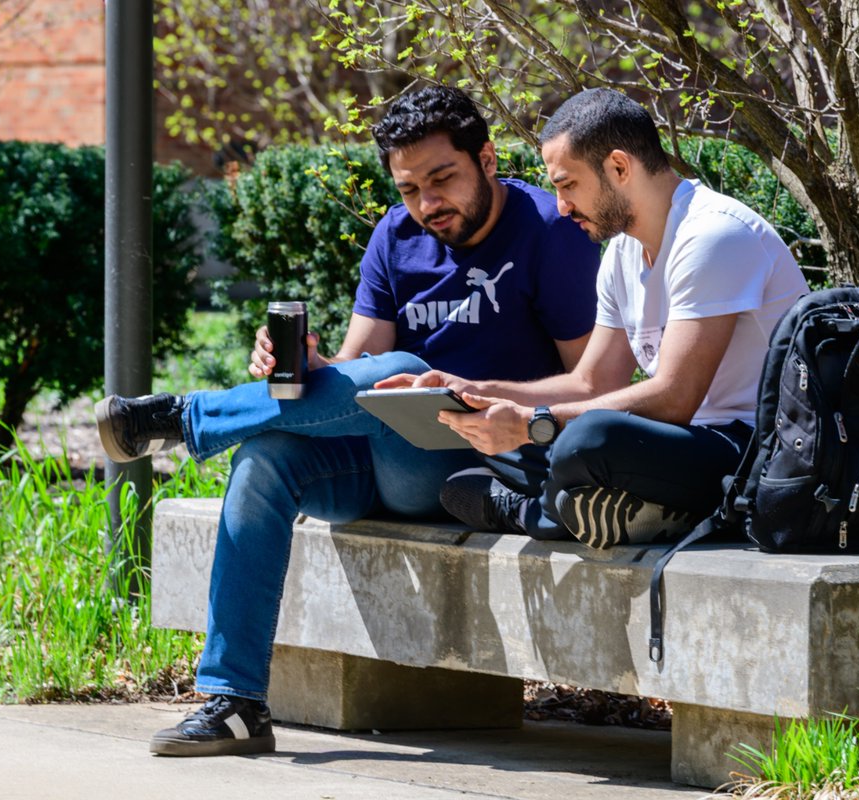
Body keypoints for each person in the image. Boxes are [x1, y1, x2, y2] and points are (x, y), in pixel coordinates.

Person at [93, 85, 601, 756]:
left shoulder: (549, 232)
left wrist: (469, 392)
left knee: (401, 365)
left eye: (441, 178)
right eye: (409, 187)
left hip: (478, 465)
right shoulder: (396, 235)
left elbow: (590, 385)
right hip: (381, 458)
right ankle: (235, 703)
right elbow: (353, 373)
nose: (426, 203)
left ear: (487, 157)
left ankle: (187, 418)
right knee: (262, 462)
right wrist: (302, 364)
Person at [379, 88, 809, 548]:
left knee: (592, 437)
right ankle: (607, 508)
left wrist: (530, 422)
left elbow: (675, 398)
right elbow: (592, 384)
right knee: (527, 442)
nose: (561, 206)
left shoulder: (712, 234)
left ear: (619, 168)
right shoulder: (622, 251)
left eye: (567, 185)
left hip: (751, 452)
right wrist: (471, 391)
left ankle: (535, 513)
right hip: (676, 445)